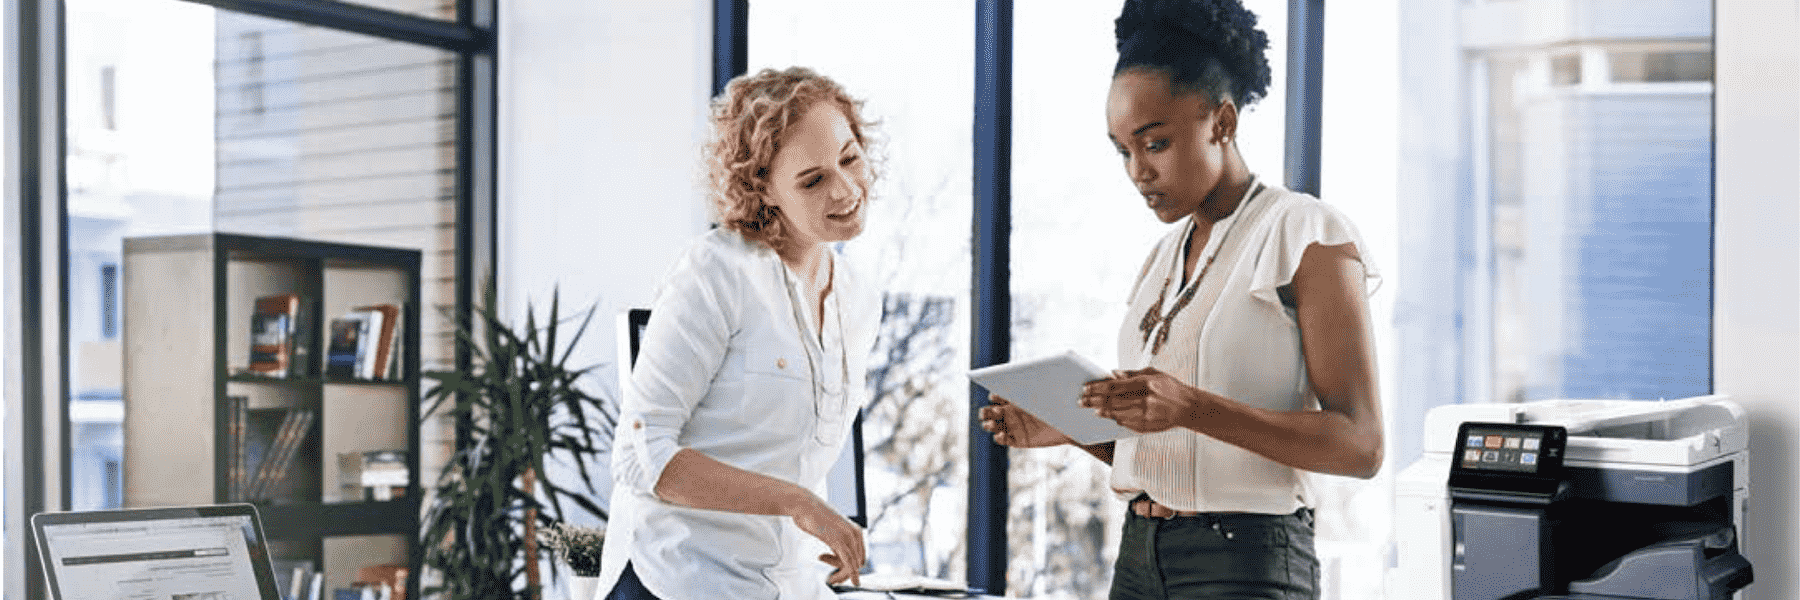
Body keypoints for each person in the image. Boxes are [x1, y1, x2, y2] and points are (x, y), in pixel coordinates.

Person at [979, 1, 1382, 598]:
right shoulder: (1163, 257)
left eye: (1156, 143)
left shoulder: (1305, 233)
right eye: (1124, 151)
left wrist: (1191, 406)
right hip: (1141, 556)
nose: (1139, 171)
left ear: (1222, 121)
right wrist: (1068, 428)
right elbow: (1175, 446)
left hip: (1243, 563)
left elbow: (1361, 444)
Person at [596, 66, 881, 600]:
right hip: (679, 580)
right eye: (812, 179)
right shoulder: (716, 273)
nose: (846, 189)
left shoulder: (858, 297)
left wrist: (822, 529)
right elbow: (639, 455)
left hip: (783, 583)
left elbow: (798, 452)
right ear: (763, 188)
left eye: (849, 158)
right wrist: (801, 504)